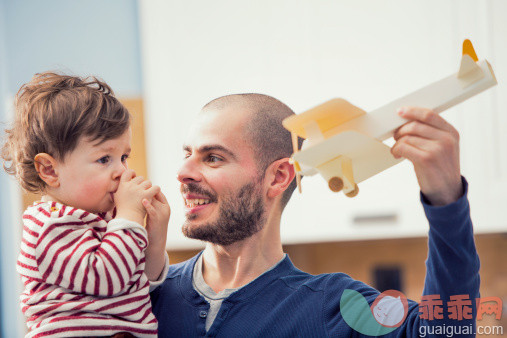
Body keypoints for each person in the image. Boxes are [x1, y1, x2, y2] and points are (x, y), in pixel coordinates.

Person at [147, 93, 479, 337]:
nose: (183, 172)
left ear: (278, 177)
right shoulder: (145, 292)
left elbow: (446, 330)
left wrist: (446, 201)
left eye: (213, 158)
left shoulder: (334, 308)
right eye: (187, 154)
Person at [1, 72, 170, 338]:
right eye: (104, 159)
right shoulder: (49, 226)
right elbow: (107, 278)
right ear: (49, 170)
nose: (122, 171)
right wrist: (129, 217)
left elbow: (138, 284)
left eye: (123, 156)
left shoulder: (109, 220)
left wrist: (156, 236)